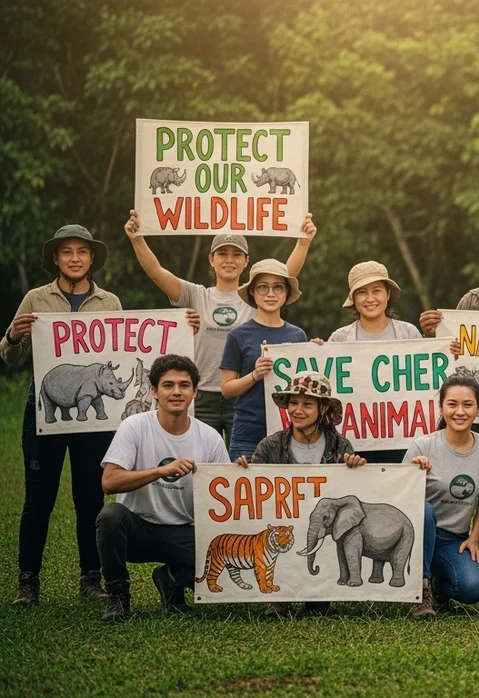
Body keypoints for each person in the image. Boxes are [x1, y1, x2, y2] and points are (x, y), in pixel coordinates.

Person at [3, 225, 123, 605]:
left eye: (82, 252)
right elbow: (9, 357)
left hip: (94, 423)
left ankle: (91, 579)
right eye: (67, 251)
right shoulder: (35, 299)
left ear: (91, 259)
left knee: (90, 498)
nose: (75, 258)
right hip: (42, 415)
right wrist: (13, 337)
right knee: (39, 498)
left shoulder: (110, 303)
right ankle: (28, 582)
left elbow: (120, 354)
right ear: (56, 259)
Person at [124, 211, 316, 440]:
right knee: (203, 462)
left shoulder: (256, 296)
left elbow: (284, 274)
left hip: (245, 394)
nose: (229, 260)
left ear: (246, 262)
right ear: (211, 260)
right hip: (201, 393)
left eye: (236, 254)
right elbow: (156, 273)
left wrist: (303, 243)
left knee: (242, 461)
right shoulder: (196, 295)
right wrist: (137, 239)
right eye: (222, 253)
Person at [96, 355, 230, 621]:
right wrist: (160, 471)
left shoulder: (210, 438)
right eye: (168, 385)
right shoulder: (134, 427)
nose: (177, 392)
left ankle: (170, 578)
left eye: (184, 385)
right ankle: (118, 596)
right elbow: (109, 482)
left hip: (185, 530)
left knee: (228, 560)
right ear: (155, 391)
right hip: (138, 530)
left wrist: (238, 473)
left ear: (195, 392)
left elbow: (226, 497)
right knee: (110, 516)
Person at [234, 372, 364, 616]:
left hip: (320, 534)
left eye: (307, 404)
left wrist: (355, 468)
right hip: (282, 529)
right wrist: (243, 472)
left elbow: (349, 493)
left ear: (323, 408)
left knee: (317, 608)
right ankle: (279, 597)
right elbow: (256, 494)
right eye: (293, 403)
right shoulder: (269, 446)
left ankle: (318, 589)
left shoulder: (341, 446)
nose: (297, 410)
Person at [400, 373, 479, 617]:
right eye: (452, 404)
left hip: (454, 539)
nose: (459, 412)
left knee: (473, 587)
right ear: (441, 407)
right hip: (418, 535)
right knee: (426, 510)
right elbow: (400, 497)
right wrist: (413, 471)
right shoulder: (423, 446)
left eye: (468, 404)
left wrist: (474, 539)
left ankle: (439, 585)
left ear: (478, 409)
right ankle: (419, 591)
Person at [324, 261, 422, 463]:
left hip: (403, 441)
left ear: (387, 294)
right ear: (353, 299)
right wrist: (315, 351)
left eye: (376, 291)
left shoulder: (408, 333)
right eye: (362, 292)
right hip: (354, 443)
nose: (370, 299)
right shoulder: (339, 338)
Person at [220, 259, 308, 460]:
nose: (270, 294)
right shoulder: (238, 335)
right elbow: (226, 389)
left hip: (290, 431)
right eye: (262, 287)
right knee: (247, 491)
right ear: (252, 291)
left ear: (286, 293)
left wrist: (317, 349)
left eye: (278, 287)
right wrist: (254, 375)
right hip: (248, 432)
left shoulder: (298, 335)